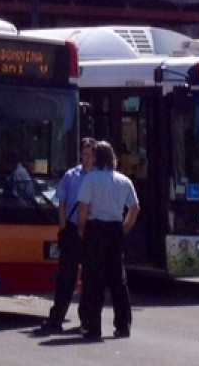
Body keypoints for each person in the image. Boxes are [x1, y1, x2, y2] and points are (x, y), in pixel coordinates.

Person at [76, 139, 140, 340]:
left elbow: (83, 211)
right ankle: (123, 326)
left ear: (96, 157)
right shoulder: (123, 180)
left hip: (95, 229)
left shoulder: (91, 179)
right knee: (118, 281)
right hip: (115, 229)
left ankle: (93, 326)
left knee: (94, 280)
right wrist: (125, 227)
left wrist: (81, 232)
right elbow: (135, 208)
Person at [36, 137, 97, 334]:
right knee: (66, 278)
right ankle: (56, 319)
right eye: (84, 154)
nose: (87, 158)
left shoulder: (99, 177)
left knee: (89, 278)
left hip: (90, 231)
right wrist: (62, 227)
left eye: (90, 154)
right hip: (71, 229)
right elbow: (61, 202)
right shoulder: (71, 176)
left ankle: (86, 320)